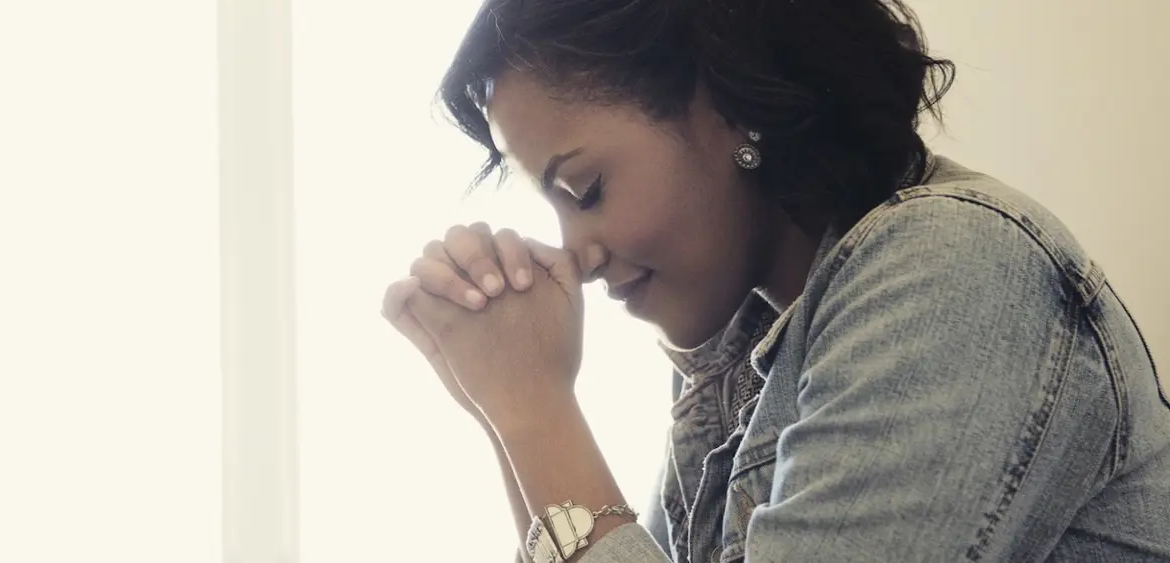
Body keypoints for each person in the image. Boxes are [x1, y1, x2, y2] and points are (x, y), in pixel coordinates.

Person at [379, 0, 1170, 562]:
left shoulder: (956, 265)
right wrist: (501, 409)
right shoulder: (743, 357)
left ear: (726, 104)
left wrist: (531, 412)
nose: (574, 252)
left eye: (584, 190)